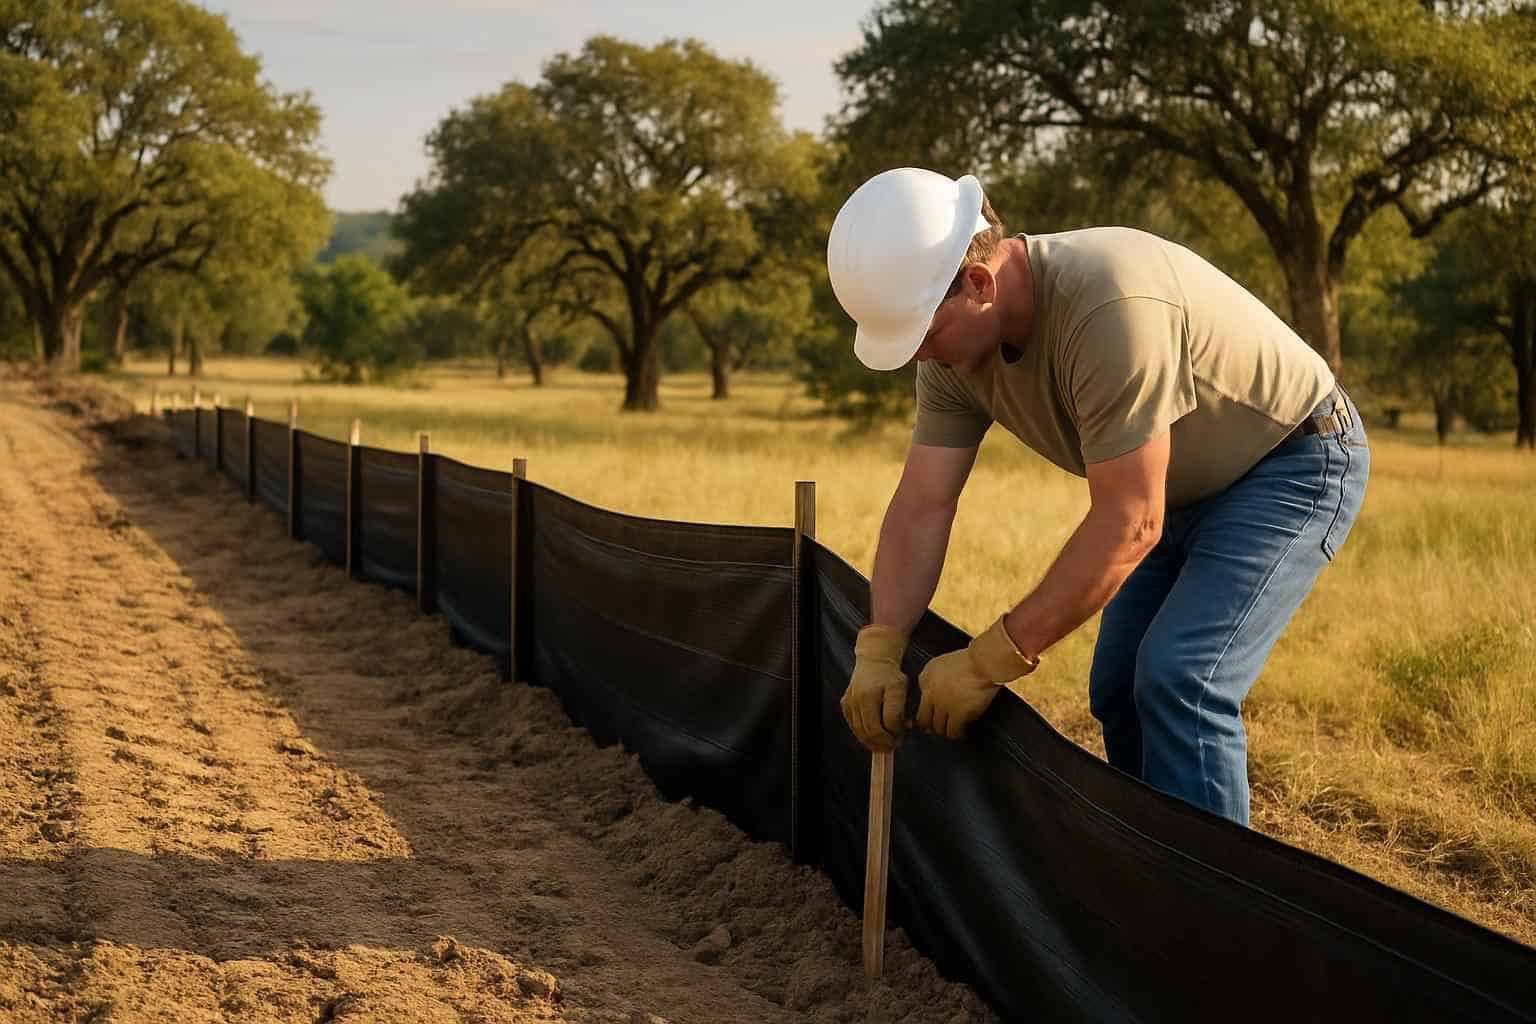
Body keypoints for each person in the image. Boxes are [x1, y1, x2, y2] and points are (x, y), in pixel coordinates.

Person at [825, 167, 1370, 826]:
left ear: (976, 283)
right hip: (1175, 489)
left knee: (1180, 681)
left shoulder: (1110, 306)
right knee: (1117, 687)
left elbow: (1131, 521)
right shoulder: (954, 358)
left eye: (925, 336)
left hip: (1292, 461)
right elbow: (922, 505)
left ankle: (1216, 913)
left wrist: (987, 661)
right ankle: (1152, 877)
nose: (922, 359)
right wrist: (880, 645)